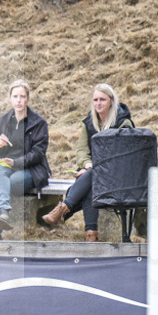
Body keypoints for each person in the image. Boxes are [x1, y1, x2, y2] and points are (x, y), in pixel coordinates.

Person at [42, 83, 133, 241]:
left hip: (119, 178)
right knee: (92, 183)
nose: (98, 103)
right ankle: (91, 236)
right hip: (96, 177)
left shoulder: (123, 123)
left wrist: (93, 169)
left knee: (92, 176)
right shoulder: (89, 123)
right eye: (95, 99)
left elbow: (119, 156)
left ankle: (65, 208)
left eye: (102, 100)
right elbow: (82, 151)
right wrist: (87, 164)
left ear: (111, 101)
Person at [0, 80, 51, 239]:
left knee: (8, 183)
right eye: (15, 96)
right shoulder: (4, 120)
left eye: (22, 96)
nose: (18, 100)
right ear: (10, 98)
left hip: (32, 169)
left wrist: (16, 162)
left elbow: (38, 154)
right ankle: (4, 213)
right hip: (7, 165)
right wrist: (0, 145)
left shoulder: (39, 122)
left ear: (28, 99)